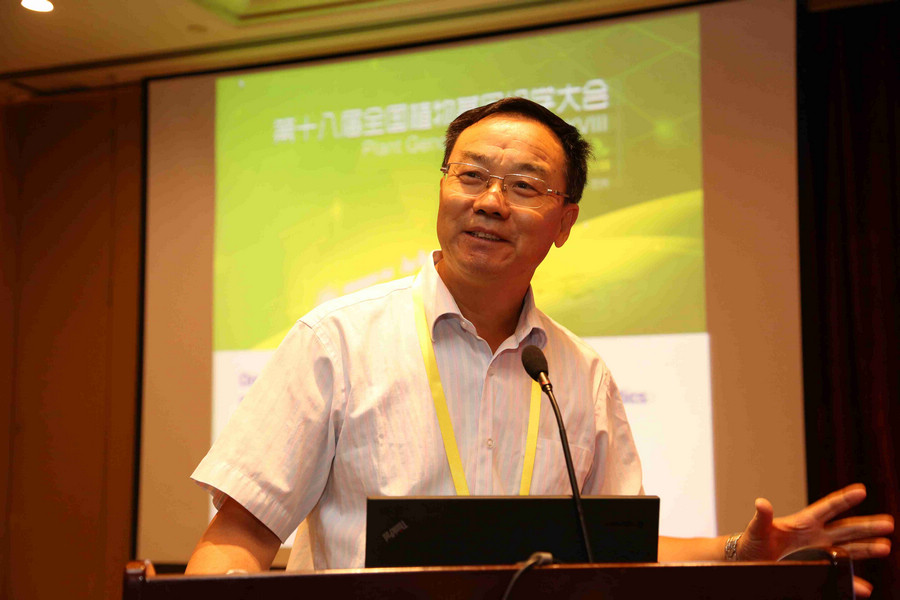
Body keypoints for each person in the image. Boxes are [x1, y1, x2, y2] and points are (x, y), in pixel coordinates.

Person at [186, 98, 892, 595]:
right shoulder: (336, 341)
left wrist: (741, 552)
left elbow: (613, 551)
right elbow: (238, 538)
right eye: (470, 176)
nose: (490, 202)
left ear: (565, 222)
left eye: (524, 186)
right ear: (442, 189)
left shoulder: (580, 373)